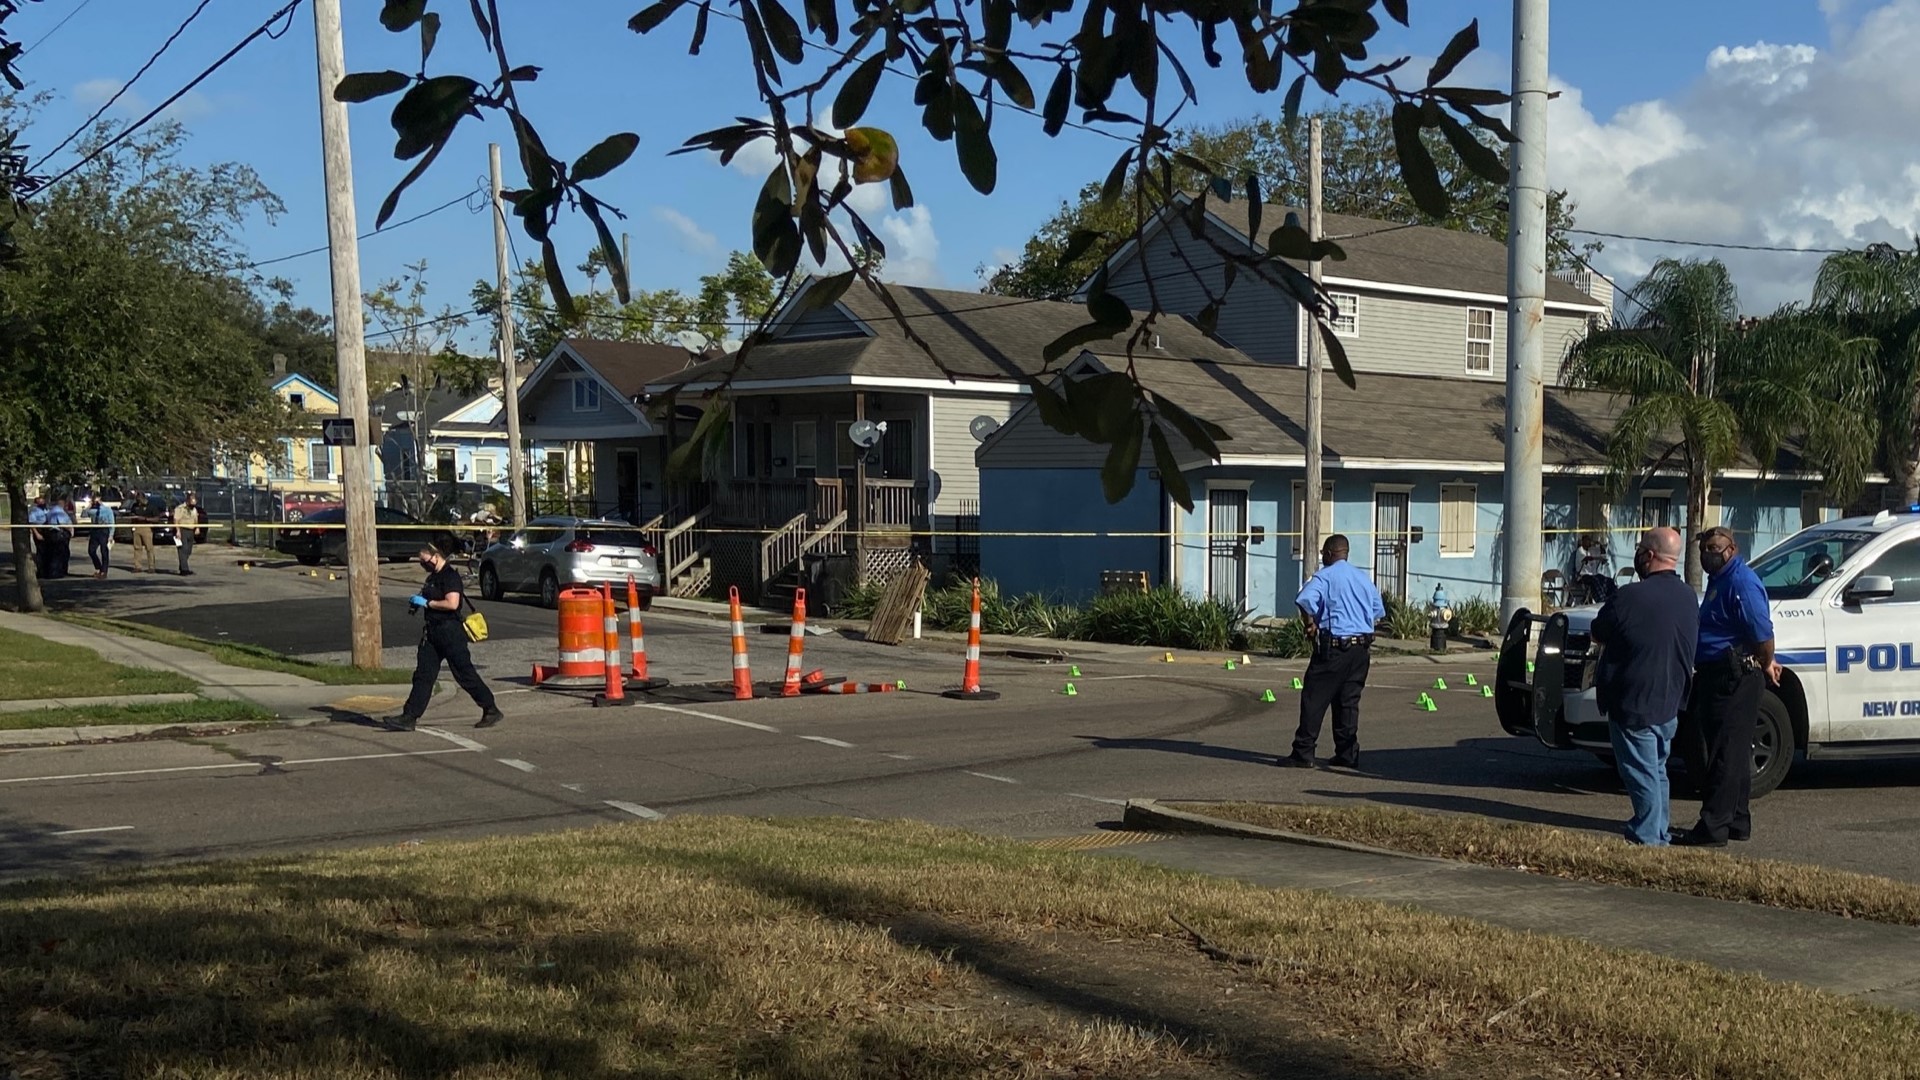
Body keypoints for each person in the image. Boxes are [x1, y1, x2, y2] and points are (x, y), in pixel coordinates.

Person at [1589, 528, 1698, 846]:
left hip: (1634, 700)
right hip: (1670, 699)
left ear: (1649, 555)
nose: (1637, 554)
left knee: (1641, 772)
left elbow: (1599, 631)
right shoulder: (1687, 595)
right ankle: (1659, 830)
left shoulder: (1629, 596)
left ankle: (1648, 836)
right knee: (1658, 770)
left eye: (1640, 549)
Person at [1674, 526, 1779, 847]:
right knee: (1731, 751)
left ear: (1732, 548)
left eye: (1715, 547)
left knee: (1721, 753)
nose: (1709, 554)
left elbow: (1762, 632)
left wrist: (1766, 661)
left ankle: (1713, 826)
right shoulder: (1721, 581)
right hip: (1716, 675)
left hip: (1734, 677)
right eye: (1705, 548)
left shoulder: (1741, 582)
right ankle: (1736, 819)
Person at [1284, 534, 1386, 770]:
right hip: (1361, 649)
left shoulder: (1325, 577)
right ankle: (1347, 753)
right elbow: (1377, 610)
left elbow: (1304, 600)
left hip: (1335, 647)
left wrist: (1310, 624)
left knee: (1314, 697)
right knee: (1348, 702)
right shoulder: (1363, 578)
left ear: (1329, 553)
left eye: (1323, 554)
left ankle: (1303, 752)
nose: (1322, 557)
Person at [383, 540, 503, 732]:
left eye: (425, 561)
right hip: (432, 632)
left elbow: (452, 604)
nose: (423, 565)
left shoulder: (450, 577)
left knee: (464, 674)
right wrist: (418, 603)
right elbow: (429, 596)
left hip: (450, 632)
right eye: (421, 562)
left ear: (435, 555)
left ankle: (490, 708)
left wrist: (428, 603)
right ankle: (409, 716)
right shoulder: (432, 578)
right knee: (423, 675)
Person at [1575, 534, 1616, 605]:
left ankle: (1613, 596)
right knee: (1595, 580)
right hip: (1582, 576)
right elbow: (1586, 558)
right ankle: (1601, 599)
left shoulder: (1590, 551)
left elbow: (1603, 552)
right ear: (1583, 542)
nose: (1589, 542)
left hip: (1592, 575)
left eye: (1590, 540)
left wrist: (1600, 545)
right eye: (1587, 541)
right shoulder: (1580, 550)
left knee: (1606, 579)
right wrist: (1598, 558)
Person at [126, 489, 155, 573]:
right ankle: (137, 566)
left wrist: (145, 519)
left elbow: (156, 518)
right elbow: (131, 515)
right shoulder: (134, 506)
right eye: (137, 499)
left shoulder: (150, 506)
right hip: (136, 527)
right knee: (137, 548)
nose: (138, 501)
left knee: (149, 548)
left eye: (139, 499)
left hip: (146, 527)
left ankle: (151, 567)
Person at [45, 498, 74, 579]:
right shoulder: (59, 512)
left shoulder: (51, 511)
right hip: (58, 534)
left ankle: (53, 571)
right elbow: (62, 523)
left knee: (53, 553)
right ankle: (56, 572)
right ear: (63, 504)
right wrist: (70, 530)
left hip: (52, 533)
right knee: (59, 554)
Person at [87, 496, 115, 578]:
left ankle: (104, 571)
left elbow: (112, 522)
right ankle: (98, 567)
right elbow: (83, 514)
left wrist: (111, 535)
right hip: (94, 530)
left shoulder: (107, 510)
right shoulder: (92, 510)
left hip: (104, 530)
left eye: (97, 499)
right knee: (91, 551)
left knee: (104, 551)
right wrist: (89, 505)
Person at [172, 493, 199, 575]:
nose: (192, 506)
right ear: (187, 501)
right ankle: (184, 570)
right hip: (182, 530)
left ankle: (182, 566)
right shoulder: (180, 508)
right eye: (191, 504)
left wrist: (197, 527)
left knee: (188, 551)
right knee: (183, 550)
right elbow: (176, 520)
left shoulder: (194, 509)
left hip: (191, 530)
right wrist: (178, 531)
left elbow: (195, 518)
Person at [26, 495, 49, 578]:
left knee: (47, 552)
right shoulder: (34, 511)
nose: (43, 503)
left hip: (46, 530)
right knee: (40, 552)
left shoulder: (46, 509)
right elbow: (31, 524)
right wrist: (37, 534)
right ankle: (41, 571)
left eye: (43, 501)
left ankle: (47, 570)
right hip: (39, 530)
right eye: (41, 501)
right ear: (37, 503)